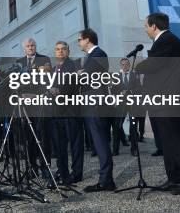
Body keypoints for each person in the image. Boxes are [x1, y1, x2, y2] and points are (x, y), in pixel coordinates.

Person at [135, 12, 180, 195]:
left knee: (176, 139)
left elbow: (154, 65)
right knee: (167, 141)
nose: (145, 29)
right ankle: (175, 178)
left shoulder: (168, 40)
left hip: (167, 99)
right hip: (159, 99)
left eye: (146, 26)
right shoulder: (164, 41)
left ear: (154, 26)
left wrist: (139, 65)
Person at [77, 28, 115, 192]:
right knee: (98, 141)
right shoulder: (91, 57)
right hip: (91, 102)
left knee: (100, 141)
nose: (79, 43)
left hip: (96, 103)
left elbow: (88, 76)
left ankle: (106, 180)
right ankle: (106, 179)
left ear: (87, 40)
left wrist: (79, 73)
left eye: (80, 39)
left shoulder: (99, 54)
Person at [16, 38, 53, 181]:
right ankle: (32, 168)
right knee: (28, 138)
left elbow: (47, 80)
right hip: (26, 106)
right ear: (24, 48)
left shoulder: (44, 60)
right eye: (28, 46)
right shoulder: (19, 63)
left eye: (33, 45)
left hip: (40, 103)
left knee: (43, 137)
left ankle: (45, 168)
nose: (30, 47)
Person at [49, 41, 83, 185]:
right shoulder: (52, 70)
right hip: (57, 112)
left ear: (68, 51)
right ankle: (63, 173)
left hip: (71, 111)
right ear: (55, 52)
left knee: (75, 145)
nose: (60, 52)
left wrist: (58, 91)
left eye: (63, 49)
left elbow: (73, 83)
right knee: (60, 146)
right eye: (57, 49)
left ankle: (77, 173)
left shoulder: (74, 65)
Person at [110, 59, 130, 156]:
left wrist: (129, 91)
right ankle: (115, 150)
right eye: (123, 65)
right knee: (117, 125)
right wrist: (119, 92)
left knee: (121, 125)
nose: (125, 66)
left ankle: (126, 142)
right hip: (120, 104)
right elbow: (113, 90)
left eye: (126, 64)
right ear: (120, 66)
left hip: (131, 104)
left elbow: (138, 88)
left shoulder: (134, 75)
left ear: (129, 65)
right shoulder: (116, 76)